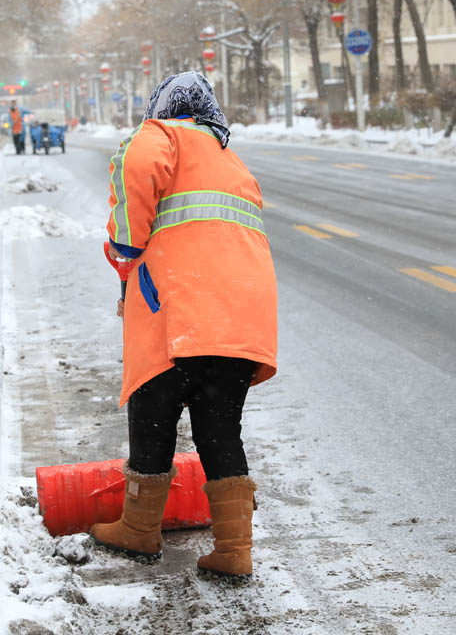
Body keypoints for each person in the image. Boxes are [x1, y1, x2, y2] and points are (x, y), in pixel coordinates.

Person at [90, 71, 278, 578]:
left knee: (154, 410)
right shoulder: (230, 158)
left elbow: (136, 171)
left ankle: (139, 529)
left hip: (180, 305)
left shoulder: (160, 134)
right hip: (241, 314)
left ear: (163, 106)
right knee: (220, 427)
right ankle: (235, 551)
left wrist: (126, 245)